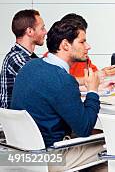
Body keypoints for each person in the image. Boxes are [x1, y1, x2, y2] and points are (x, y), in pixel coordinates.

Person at [11, 19, 104, 172]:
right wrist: (93, 90)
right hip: (49, 156)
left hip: (20, 153)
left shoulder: (30, 66)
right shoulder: (62, 80)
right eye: (82, 42)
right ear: (65, 45)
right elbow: (85, 128)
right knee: (111, 149)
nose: (88, 46)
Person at [0, 9, 46, 108]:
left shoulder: (31, 57)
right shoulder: (16, 57)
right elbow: (45, 81)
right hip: (12, 121)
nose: (45, 32)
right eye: (42, 28)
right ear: (30, 31)